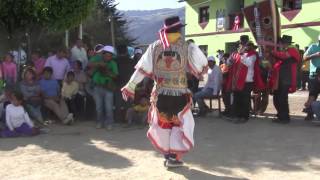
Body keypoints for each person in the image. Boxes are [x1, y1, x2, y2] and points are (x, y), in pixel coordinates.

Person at [122, 16, 208, 168]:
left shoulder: (154, 46)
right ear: (179, 29)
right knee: (180, 124)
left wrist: (130, 85)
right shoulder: (188, 46)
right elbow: (202, 65)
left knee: (164, 125)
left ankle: (168, 155)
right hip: (179, 95)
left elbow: (141, 69)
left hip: (160, 95)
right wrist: (198, 70)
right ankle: (173, 157)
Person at [226, 41, 265, 123]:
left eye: (245, 46)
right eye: (242, 45)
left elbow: (248, 63)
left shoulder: (253, 55)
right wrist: (230, 60)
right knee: (237, 99)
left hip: (247, 81)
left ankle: (245, 117)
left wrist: (240, 55)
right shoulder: (236, 54)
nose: (243, 47)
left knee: (245, 100)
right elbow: (229, 63)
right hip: (237, 80)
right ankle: (237, 116)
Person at [269, 35, 300, 124]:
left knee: (282, 98)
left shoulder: (292, 49)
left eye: (280, 43)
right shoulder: (286, 50)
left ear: (284, 43)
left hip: (286, 79)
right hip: (281, 79)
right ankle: (281, 115)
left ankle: (284, 117)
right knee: (277, 98)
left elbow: (284, 56)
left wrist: (273, 52)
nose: (279, 44)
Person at [89, 46, 118, 130]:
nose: (108, 57)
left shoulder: (113, 63)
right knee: (98, 107)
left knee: (108, 107)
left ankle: (109, 123)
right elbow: (89, 64)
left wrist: (106, 71)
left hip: (108, 88)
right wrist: (99, 64)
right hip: (97, 87)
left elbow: (115, 76)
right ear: (103, 55)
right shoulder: (97, 59)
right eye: (106, 55)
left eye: (110, 56)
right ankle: (99, 122)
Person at [303, 35, 320, 121]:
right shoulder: (313, 46)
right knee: (312, 95)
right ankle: (310, 113)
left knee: (312, 95)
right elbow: (304, 58)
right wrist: (315, 55)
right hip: (314, 75)